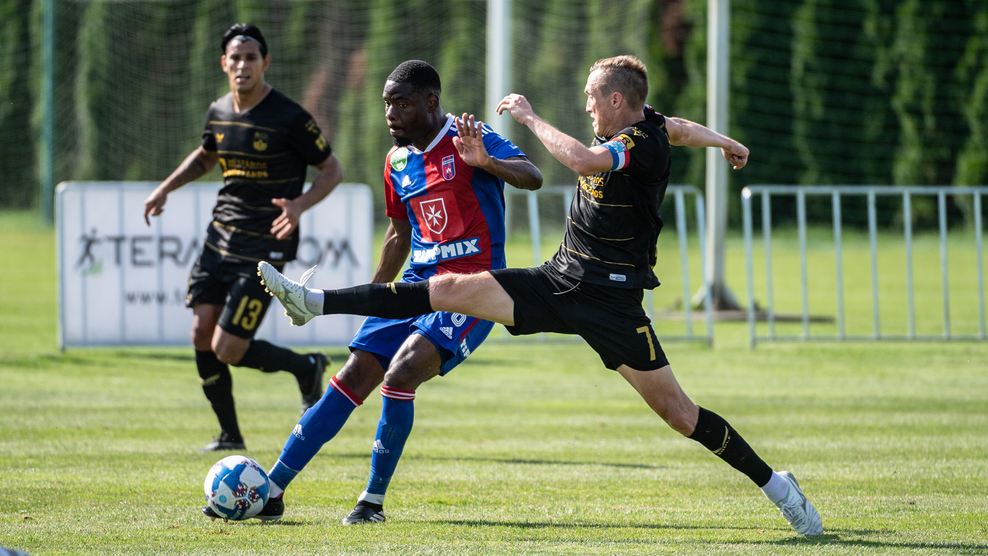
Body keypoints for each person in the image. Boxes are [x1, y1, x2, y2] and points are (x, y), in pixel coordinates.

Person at [259, 55, 824, 536]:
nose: (587, 106)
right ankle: (316, 302)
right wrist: (725, 140)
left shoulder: (637, 142)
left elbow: (582, 162)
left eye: (592, 97)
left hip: (611, 302)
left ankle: (778, 487)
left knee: (680, 414)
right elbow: (678, 126)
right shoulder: (647, 123)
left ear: (618, 100)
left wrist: (528, 118)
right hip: (559, 280)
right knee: (443, 288)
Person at [202, 60, 542, 522]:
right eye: (387, 104)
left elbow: (532, 175)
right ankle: (272, 491)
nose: (391, 114)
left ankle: (371, 502)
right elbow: (399, 235)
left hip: (474, 289)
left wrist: (486, 162)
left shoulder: (470, 136)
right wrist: (376, 299)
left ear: (432, 102)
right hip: (416, 286)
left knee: (400, 375)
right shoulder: (397, 161)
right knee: (353, 376)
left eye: (402, 103)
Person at [143, 23, 343, 454]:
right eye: (235, 57)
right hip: (219, 239)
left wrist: (299, 205)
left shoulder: (290, 117)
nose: (242, 65)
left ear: (265, 62)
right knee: (201, 335)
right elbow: (207, 155)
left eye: (251, 57)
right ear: (224, 63)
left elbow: (332, 170)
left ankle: (306, 367)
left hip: (265, 247)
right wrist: (165, 188)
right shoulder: (218, 110)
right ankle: (229, 435)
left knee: (228, 348)